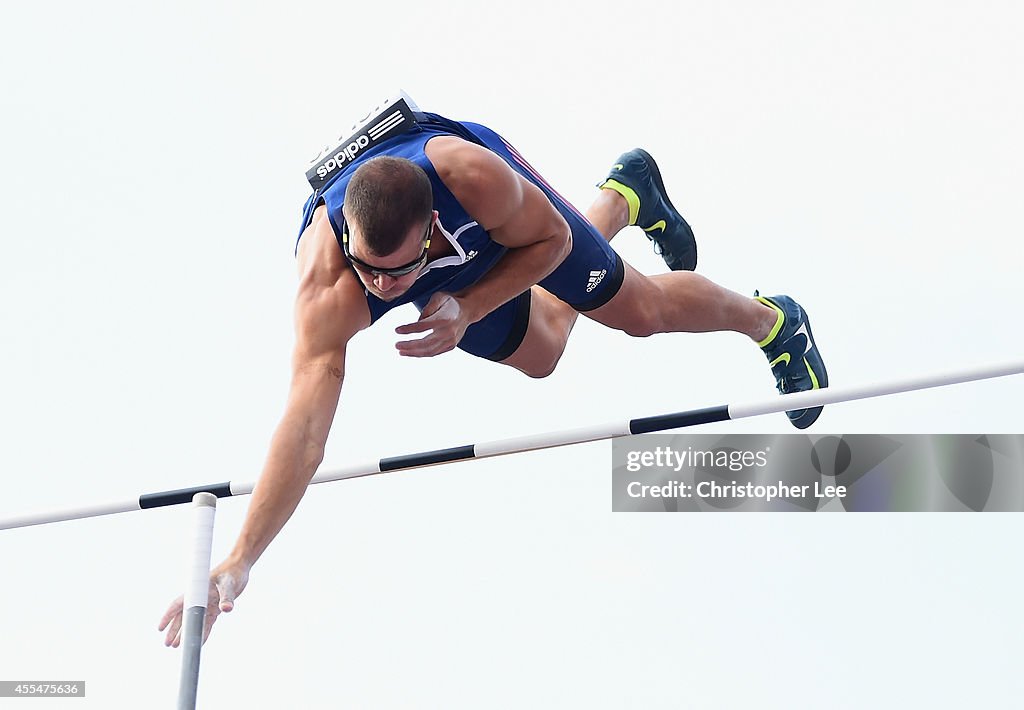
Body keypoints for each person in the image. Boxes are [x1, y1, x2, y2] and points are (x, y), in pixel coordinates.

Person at [158, 109, 828, 646]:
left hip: (512, 227)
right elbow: (305, 431)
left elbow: (551, 245)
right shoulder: (329, 281)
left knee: (640, 312)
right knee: (541, 351)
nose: (386, 287)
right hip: (421, 253)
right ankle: (626, 197)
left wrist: (469, 305)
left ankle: (773, 322)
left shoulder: (473, 175)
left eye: (398, 271)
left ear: (428, 233)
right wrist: (239, 560)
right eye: (374, 273)